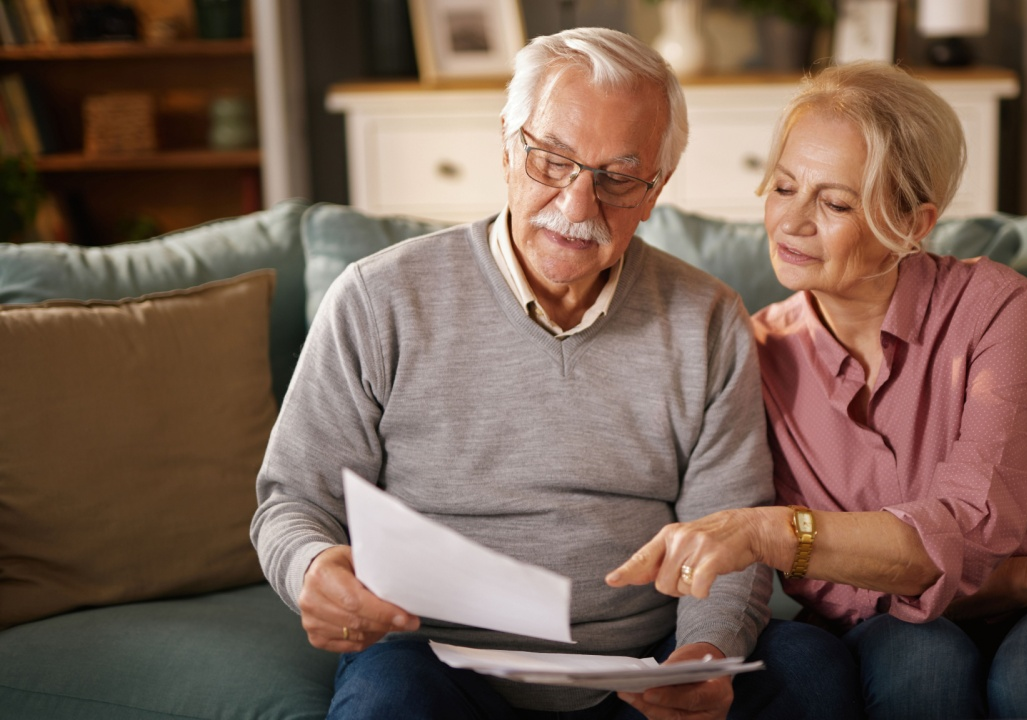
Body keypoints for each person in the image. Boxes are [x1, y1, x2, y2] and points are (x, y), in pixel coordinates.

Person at [251, 27, 858, 720]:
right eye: (551, 161)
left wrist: (706, 655)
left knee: (810, 668)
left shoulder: (708, 318)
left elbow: (729, 537)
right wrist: (314, 569)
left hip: (642, 665)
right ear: (508, 148)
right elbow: (293, 500)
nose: (576, 207)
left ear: (654, 190)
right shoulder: (377, 297)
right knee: (387, 699)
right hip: (436, 659)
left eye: (618, 178)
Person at [608, 61, 1027, 720]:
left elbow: (972, 527)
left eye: (834, 202)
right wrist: (1026, 576)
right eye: (783, 186)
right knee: (920, 664)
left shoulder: (995, 306)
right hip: (970, 598)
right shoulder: (757, 352)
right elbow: (825, 585)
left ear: (915, 223)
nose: (792, 222)